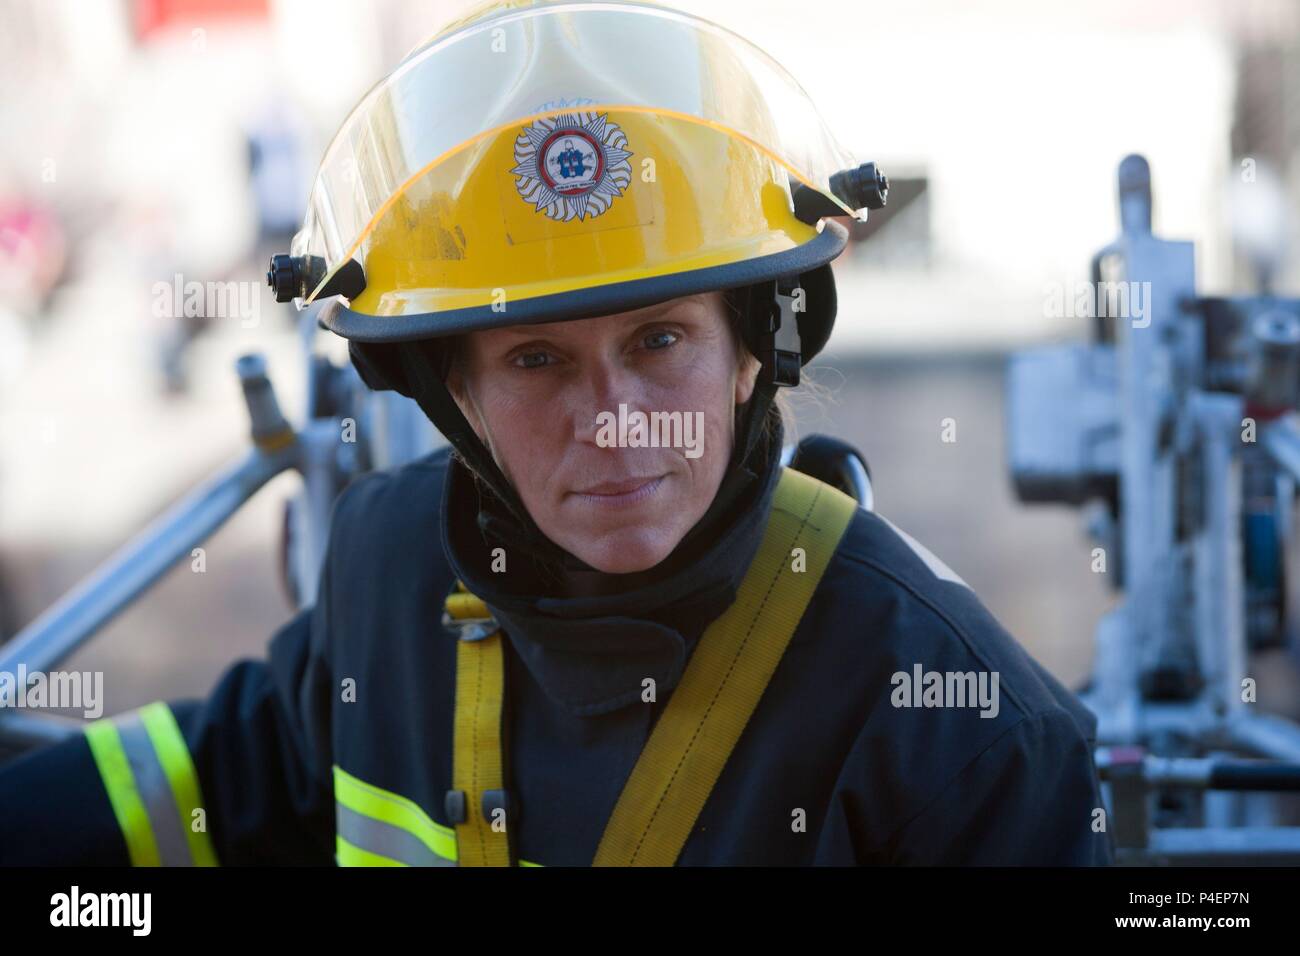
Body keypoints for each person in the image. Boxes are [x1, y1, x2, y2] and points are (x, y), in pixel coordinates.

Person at [0, 0, 1112, 866]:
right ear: (453, 392)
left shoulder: (958, 722)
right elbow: (225, 785)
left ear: (749, 352)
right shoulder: (387, 570)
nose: (616, 420)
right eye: (535, 358)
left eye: (660, 340)